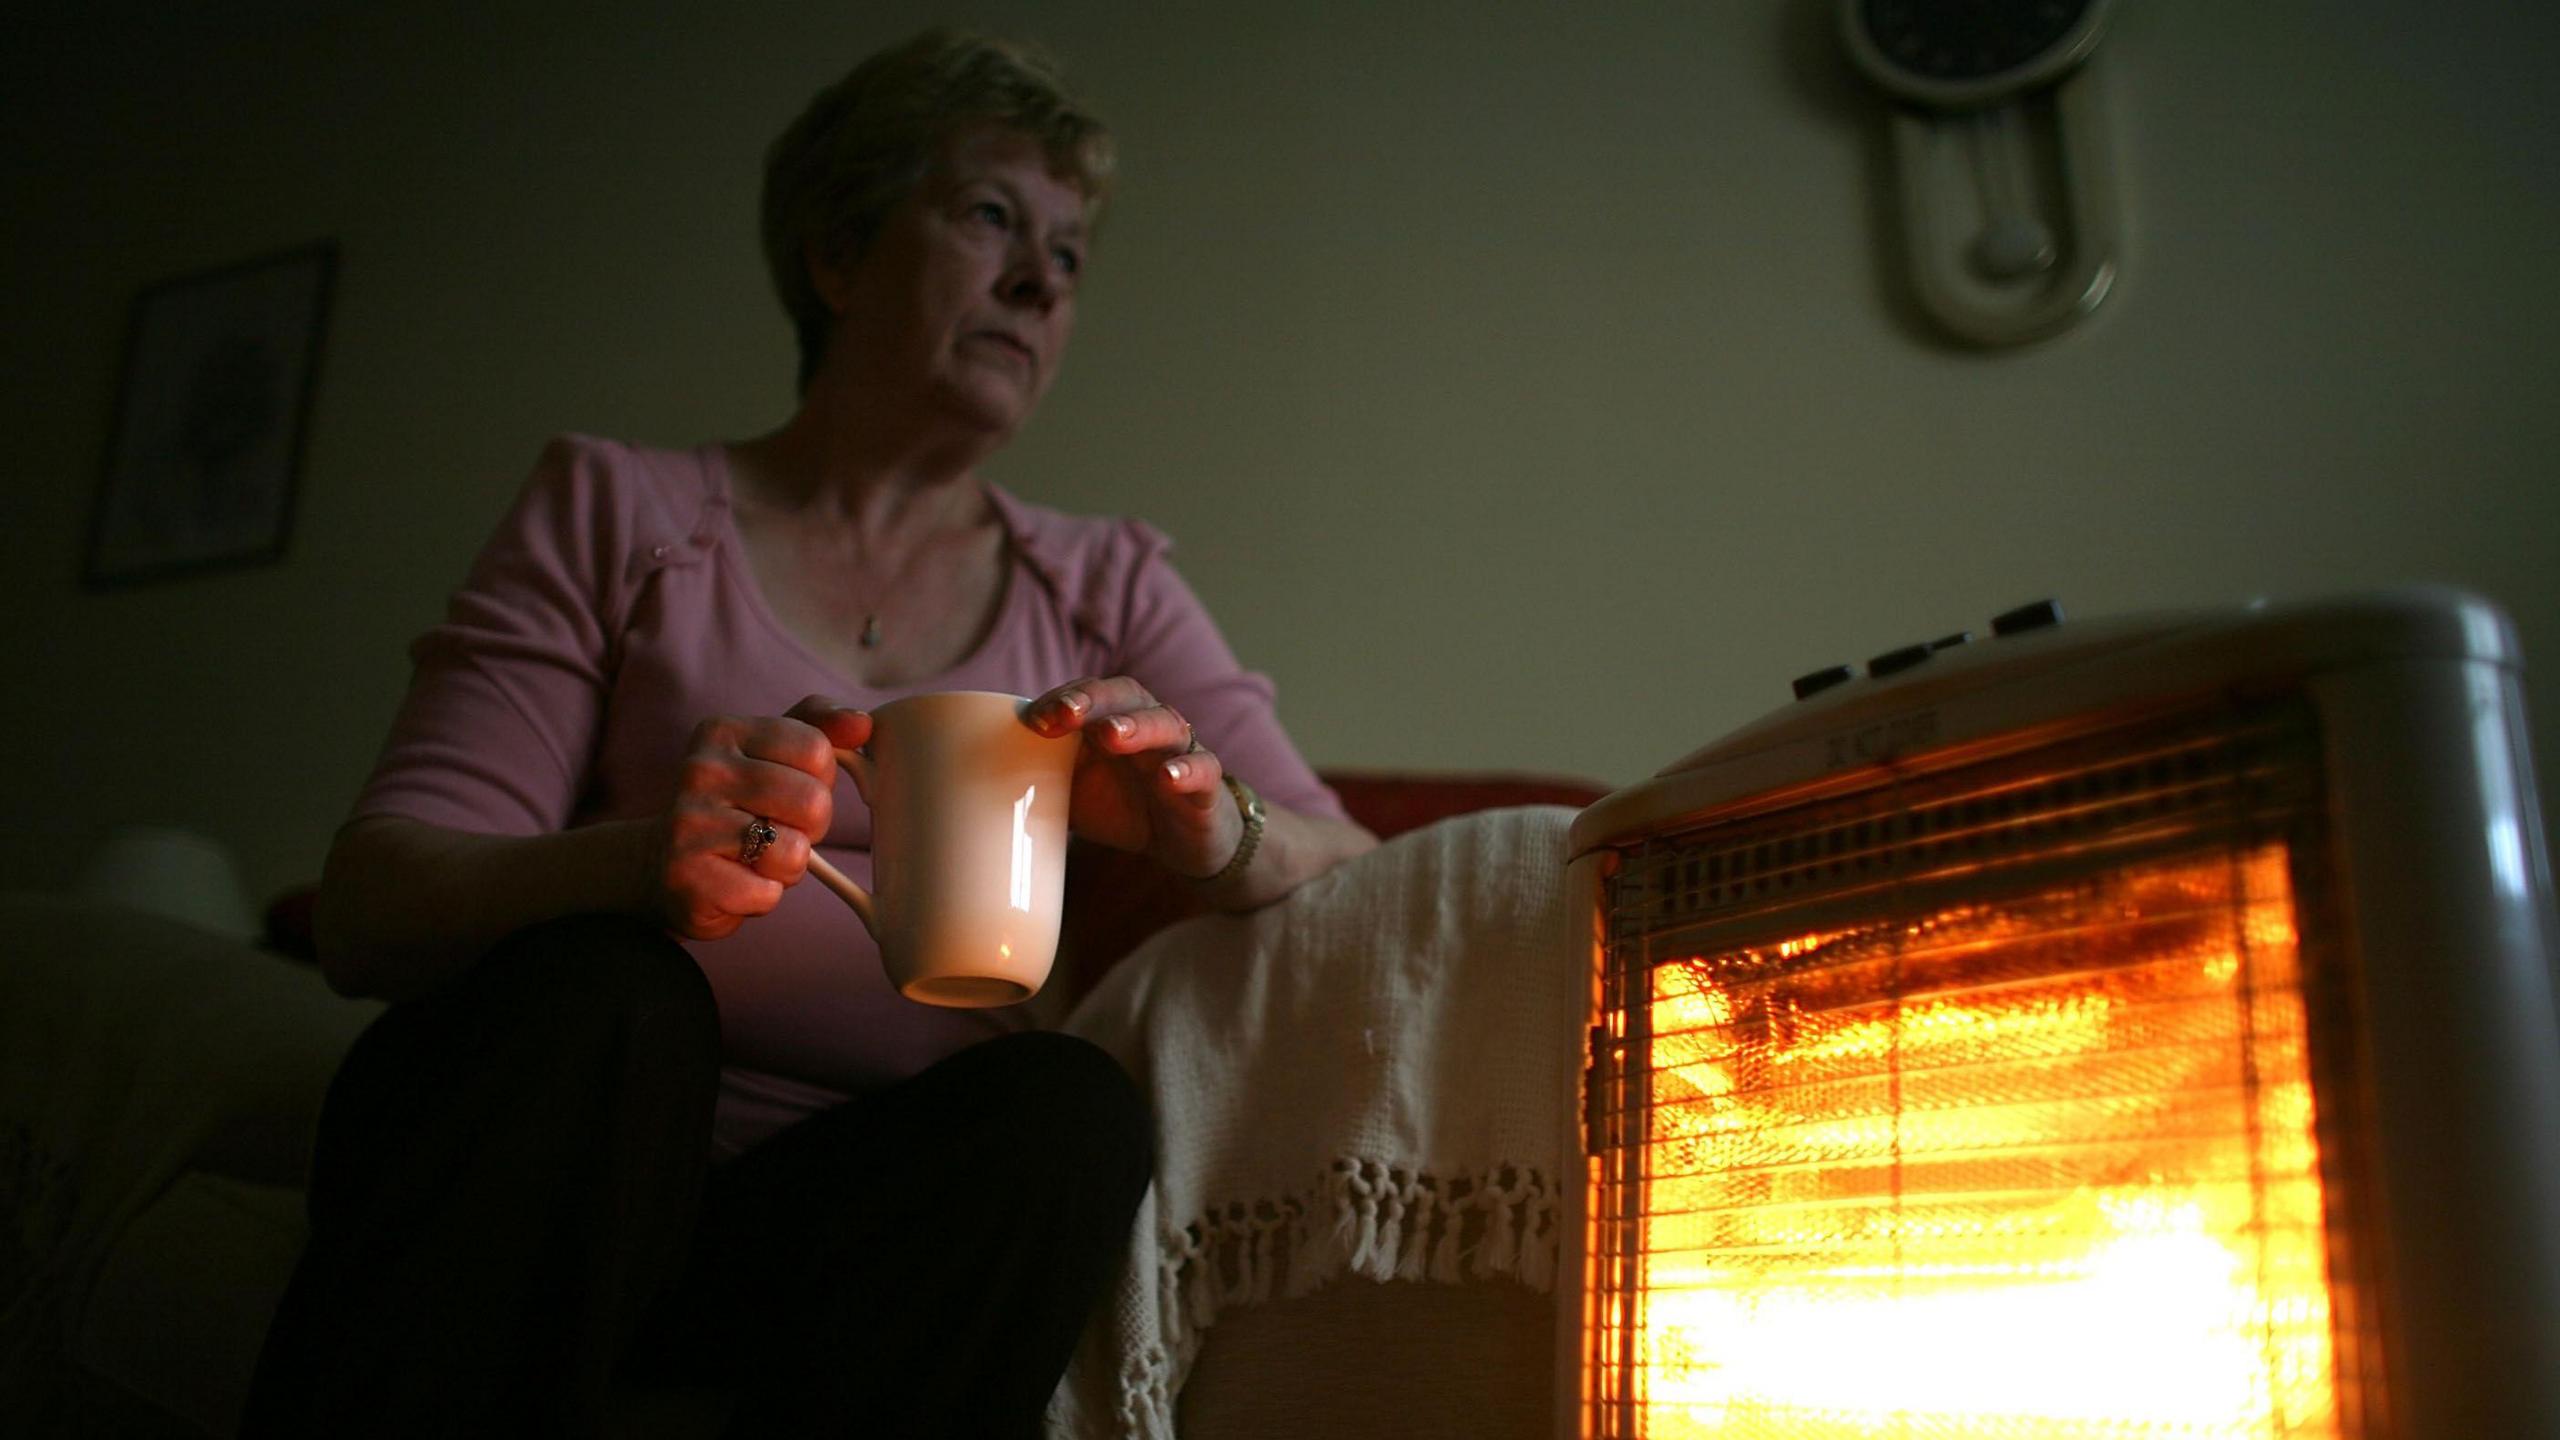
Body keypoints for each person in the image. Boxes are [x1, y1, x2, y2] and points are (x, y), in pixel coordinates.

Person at [241, 27, 1377, 1438]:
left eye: (1070, 256)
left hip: (840, 1224)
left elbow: (1358, 871)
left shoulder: (1106, 586)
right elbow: (370, 909)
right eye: (989, 219)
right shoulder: (620, 509)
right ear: (837, 255)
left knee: (1065, 1110)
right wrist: (638, 864)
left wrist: (1221, 828)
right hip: (563, 1155)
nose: (1039, 281)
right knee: (613, 989)